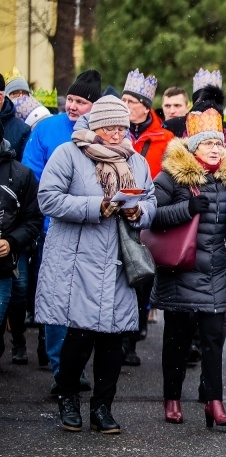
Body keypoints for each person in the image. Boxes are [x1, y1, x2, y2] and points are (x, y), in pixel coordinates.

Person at [37, 95, 156, 434]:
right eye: (109, 127)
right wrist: (96, 206)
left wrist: (138, 211)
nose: (117, 133)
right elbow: (48, 198)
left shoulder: (136, 160)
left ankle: (102, 408)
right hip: (78, 261)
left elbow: (149, 199)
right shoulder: (69, 154)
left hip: (119, 260)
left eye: (122, 127)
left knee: (113, 342)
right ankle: (69, 399)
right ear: (95, 125)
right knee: (78, 337)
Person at [150, 108, 226, 428]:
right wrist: (186, 208)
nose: (215, 149)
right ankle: (172, 397)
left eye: (218, 143)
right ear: (192, 146)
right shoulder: (170, 177)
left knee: (214, 339)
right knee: (177, 339)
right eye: (207, 143)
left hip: (215, 269)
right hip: (180, 269)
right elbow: (151, 217)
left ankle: (214, 401)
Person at [22, 69, 102, 394]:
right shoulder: (46, 129)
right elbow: (32, 178)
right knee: (57, 302)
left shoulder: (103, 134)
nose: (72, 106)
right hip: (52, 229)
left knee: (83, 302)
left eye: (81, 101)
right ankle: (59, 369)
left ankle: (76, 366)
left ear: (94, 106)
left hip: (94, 233)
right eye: (70, 99)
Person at [121, 68, 175, 365]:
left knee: (141, 277)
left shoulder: (165, 138)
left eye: (131, 100)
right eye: (123, 99)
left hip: (149, 214)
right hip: (115, 212)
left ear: (144, 105)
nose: (125, 105)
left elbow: (167, 178)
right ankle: (120, 335)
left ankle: (133, 335)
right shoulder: (112, 131)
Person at [0, 121, 43, 366]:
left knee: (19, 293)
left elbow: (33, 219)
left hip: (8, 260)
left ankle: (18, 340)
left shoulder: (21, 174)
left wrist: (11, 242)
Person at [0, 73, 31, 161]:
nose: (20, 98)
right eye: (15, 93)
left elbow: (24, 168)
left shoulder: (23, 130)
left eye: (24, 93)